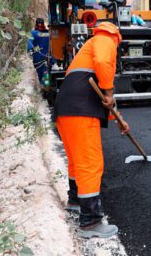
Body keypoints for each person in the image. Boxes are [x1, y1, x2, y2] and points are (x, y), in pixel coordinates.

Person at [54, 22, 130, 238]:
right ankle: (91, 222)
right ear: (117, 37)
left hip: (66, 108)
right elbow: (104, 64)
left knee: (78, 160)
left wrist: (120, 120)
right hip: (80, 109)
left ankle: (76, 201)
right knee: (90, 162)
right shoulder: (105, 40)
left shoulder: (88, 48)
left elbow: (107, 100)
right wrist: (109, 90)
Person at [27, 18, 53, 84]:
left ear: (36, 23)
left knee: (40, 73)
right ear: (43, 23)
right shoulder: (48, 32)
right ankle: (47, 86)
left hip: (38, 57)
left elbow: (30, 44)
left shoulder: (33, 33)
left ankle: (43, 87)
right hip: (49, 56)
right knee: (47, 71)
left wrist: (30, 52)